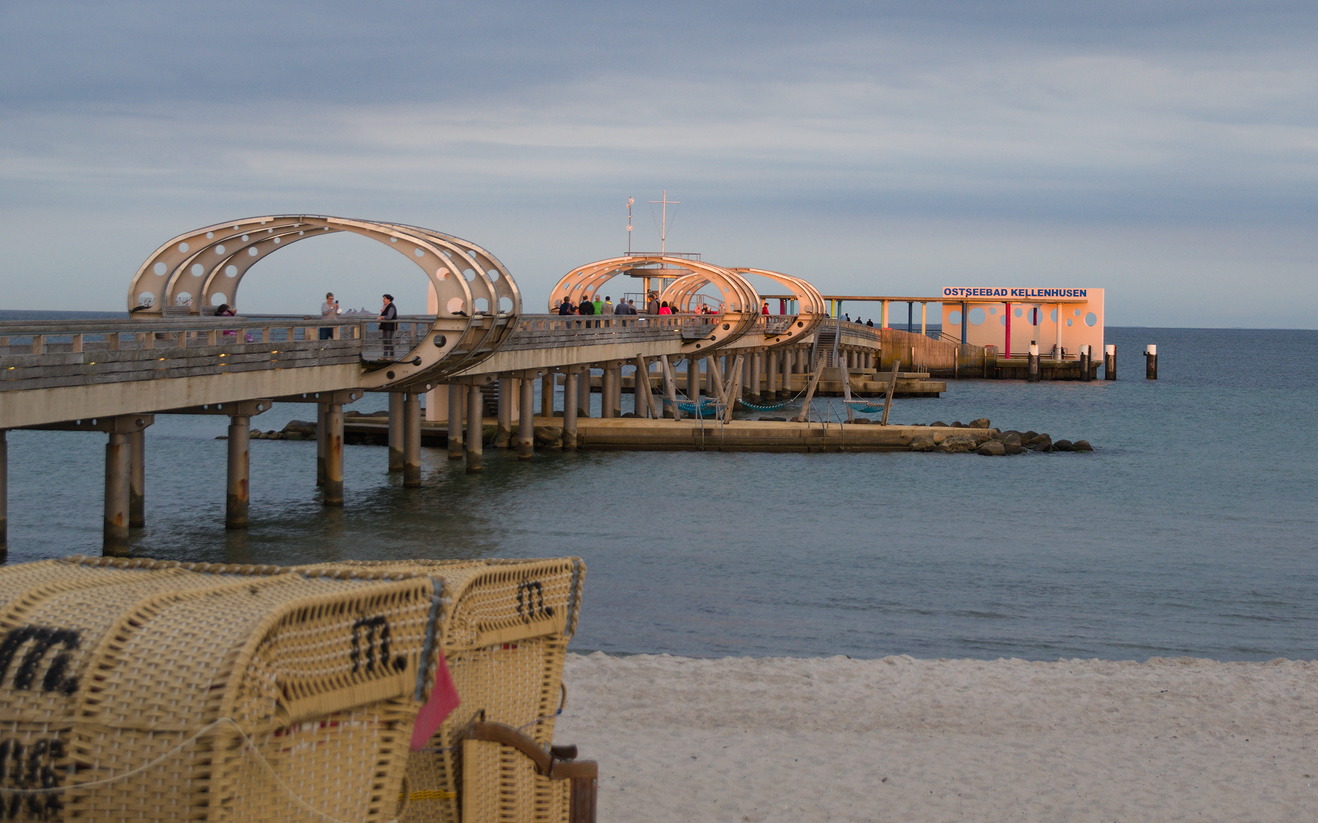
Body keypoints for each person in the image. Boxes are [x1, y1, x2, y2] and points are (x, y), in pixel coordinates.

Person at [378, 293, 398, 358]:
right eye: (383, 299)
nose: (383, 300)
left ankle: (391, 355)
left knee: (389, 340)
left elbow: (389, 316)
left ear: (389, 299)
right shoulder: (386, 306)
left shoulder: (391, 306)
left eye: (385, 299)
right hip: (385, 326)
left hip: (390, 327)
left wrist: (382, 317)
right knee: (385, 341)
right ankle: (385, 355)